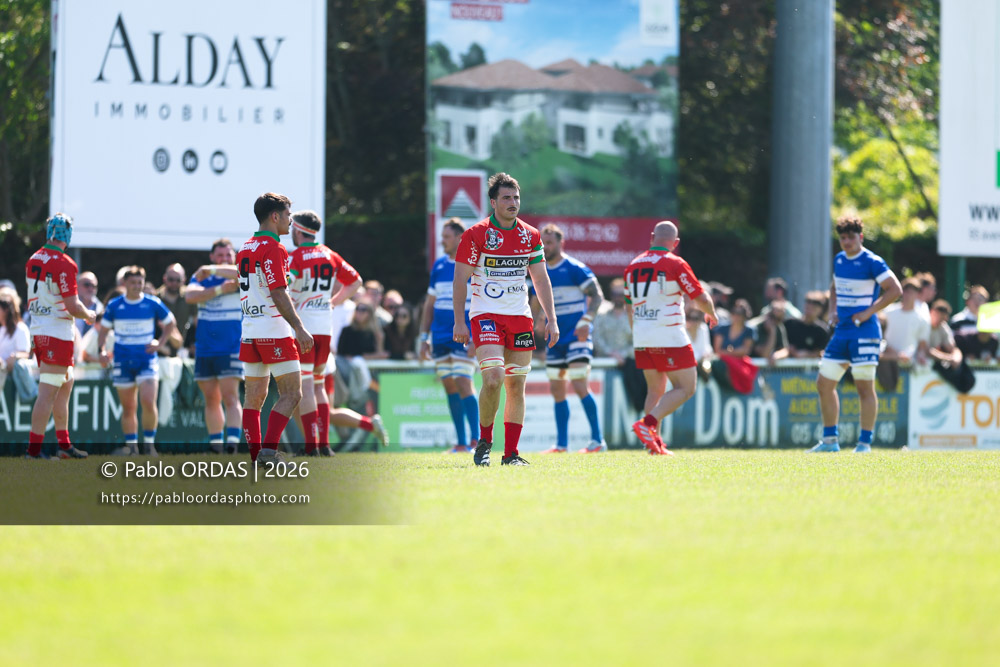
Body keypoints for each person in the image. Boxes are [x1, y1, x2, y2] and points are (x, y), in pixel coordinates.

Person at [452, 172, 558, 466]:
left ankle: (510, 454)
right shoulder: (476, 234)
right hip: (485, 315)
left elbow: (541, 279)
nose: (513, 203)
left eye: (516, 198)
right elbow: (460, 280)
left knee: (516, 385)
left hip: (520, 318)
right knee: (493, 378)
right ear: (493, 202)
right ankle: (484, 442)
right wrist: (459, 321)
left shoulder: (531, 235)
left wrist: (551, 318)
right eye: (506, 198)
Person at [287, 209, 387, 454]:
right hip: (325, 327)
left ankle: (312, 446)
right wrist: (334, 301)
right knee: (319, 386)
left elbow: (285, 288)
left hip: (305, 328)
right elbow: (356, 281)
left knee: (307, 387)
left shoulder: (297, 256)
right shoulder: (328, 254)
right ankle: (324, 446)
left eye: (292, 228)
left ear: (299, 230)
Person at [810, 217, 901, 454]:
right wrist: (832, 311)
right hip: (842, 332)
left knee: (864, 388)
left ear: (860, 237)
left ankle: (864, 444)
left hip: (865, 332)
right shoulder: (839, 259)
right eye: (843, 238)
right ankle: (830, 441)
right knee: (824, 383)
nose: (847, 242)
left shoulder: (872, 261)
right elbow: (834, 287)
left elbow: (895, 289)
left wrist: (868, 312)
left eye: (851, 237)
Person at [625, 221, 718, 455]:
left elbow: (629, 306)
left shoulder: (633, 265)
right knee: (687, 387)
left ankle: (654, 445)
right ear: (675, 243)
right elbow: (700, 296)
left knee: (655, 390)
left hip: (642, 334)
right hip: (668, 333)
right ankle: (647, 425)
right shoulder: (675, 263)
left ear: (652, 237)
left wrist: (637, 331)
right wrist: (712, 313)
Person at [237, 192, 314, 463]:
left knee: (254, 397)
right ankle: (269, 451)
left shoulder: (245, 247)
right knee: (293, 392)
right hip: (273, 330)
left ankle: (258, 455)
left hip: (249, 332)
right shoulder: (275, 248)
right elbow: (278, 292)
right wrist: (300, 328)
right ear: (275, 216)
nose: (290, 221)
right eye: (288, 215)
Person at [24, 214, 96, 459]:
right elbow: (73, 306)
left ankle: (64, 445)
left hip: (41, 330)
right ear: (68, 235)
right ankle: (33, 452)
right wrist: (90, 315)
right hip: (55, 332)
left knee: (65, 385)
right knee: (47, 393)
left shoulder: (34, 257)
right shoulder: (65, 263)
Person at [531, 223, 606, 454]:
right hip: (555, 339)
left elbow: (597, 296)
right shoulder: (538, 271)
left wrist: (587, 320)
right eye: (543, 243)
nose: (546, 247)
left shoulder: (574, 268)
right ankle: (562, 445)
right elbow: (535, 303)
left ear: (561, 243)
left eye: (550, 242)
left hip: (576, 336)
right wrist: (536, 326)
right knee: (556, 389)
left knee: (579, 382)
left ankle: (598, 441)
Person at [98, 265, 176, 455]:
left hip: (147, 361)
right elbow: (103, 331)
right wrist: (101, 350)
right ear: (125, 284)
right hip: (123, 362)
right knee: (129, 407)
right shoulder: (115, 305)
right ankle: (132, 447)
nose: (136, 286)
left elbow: (170, 323)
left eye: (140, 282)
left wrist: (160, 342)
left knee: (148, 402)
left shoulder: (152, 303)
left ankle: (149, 445)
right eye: (132, 282)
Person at [419, 219, 479, 453]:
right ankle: (461, 443)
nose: (442, 240)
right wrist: (423, 337)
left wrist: (476, 336)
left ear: (459, 238)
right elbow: (429, 304)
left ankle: (477, 441)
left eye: (446, 236)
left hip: (464, 334)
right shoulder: (440, 265)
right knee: (450, 385)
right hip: (440, 336)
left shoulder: (474, 265)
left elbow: (481, 301)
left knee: (464, 382)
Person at [186, 239, 243, 453]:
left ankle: (232, 445)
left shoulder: (240, 274)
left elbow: (240, 277)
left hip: (231, 347)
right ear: (212, 257)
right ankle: (216, 445)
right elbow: (190, 295)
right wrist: (220, 290)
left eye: (228, 255)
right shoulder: (201, 276)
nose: (225, 259)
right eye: (220, 256)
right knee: (211, 398)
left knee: (230, 396)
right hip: (206, 348)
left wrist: (216, 277)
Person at [882, 277, 930, 365]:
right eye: (906, 291)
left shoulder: (922, 319)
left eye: (912, 292)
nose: (908, 295)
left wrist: (920, 357)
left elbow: (922, 345)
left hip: (907, 364)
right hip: (886, 360)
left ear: (917, 294)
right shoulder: (888, 312)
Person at [777, 291, 830, 359]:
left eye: (813, 309)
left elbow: (820, 352)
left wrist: (808, 354)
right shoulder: (790, 324)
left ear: (820, 310)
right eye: (808, 308)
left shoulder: (822, 331)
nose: (809, 311)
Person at [156, 263, 194, 357]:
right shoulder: (155, 299)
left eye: (178, 280)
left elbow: (197, 323)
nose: (174, 283)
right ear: (164, 278)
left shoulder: (190, 297)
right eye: (171, 279)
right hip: (157, 352)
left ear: (184, 280)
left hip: (182, 353)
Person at [0, 290, 31, 390]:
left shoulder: (21, 329)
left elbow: (26, 353)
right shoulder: (2, 330)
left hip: (11, 378)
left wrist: (14, 356)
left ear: (6, 310)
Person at [927, 299, 962, 365]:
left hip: (935, 364)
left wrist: (956, 359)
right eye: (941, 316)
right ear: (932, 312)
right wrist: (947, 357)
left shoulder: (943, 326)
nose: (944, 320)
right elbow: (925, 350)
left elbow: (953, 348)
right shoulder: (924, 324)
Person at [75, 271, 103, 338]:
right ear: (77, 285)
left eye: (94, 286)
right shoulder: (70, 304)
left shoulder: (101, 309)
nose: (90, 289)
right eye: (86, 285)